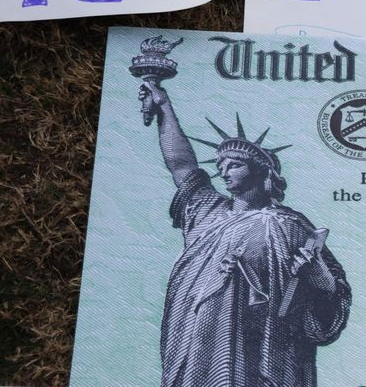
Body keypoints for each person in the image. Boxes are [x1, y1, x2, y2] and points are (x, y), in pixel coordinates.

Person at [139, 82, 351, 387]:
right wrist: (164, 107)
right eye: (222, 166)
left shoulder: (290, 225)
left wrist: (316, 273)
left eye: (234, 165)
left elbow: (333, 291)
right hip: (202, 340)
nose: (224, 172)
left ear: (261, 172)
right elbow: (182, 165)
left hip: (266, 344)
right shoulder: (208, 212)